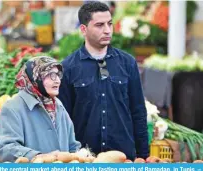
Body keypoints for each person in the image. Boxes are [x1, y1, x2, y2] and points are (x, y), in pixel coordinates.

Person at [58, 1, 149, 160]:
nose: (107, 30)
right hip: (85, 158)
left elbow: (138, 111)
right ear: (83, 29)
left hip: (124, 157)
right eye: (99, 25)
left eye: (109, 24)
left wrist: (143, 155)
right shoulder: (68, 68)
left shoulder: (127, 63)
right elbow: (63, 120)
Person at [0, 56, 81, 162]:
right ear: (35, 78)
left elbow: (72, 145)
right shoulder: (12, 108)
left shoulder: (58, 105)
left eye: (58, 75)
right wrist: (38, 157)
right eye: (50, 75)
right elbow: (7, 150)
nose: (58, 81)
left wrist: (79, 156)